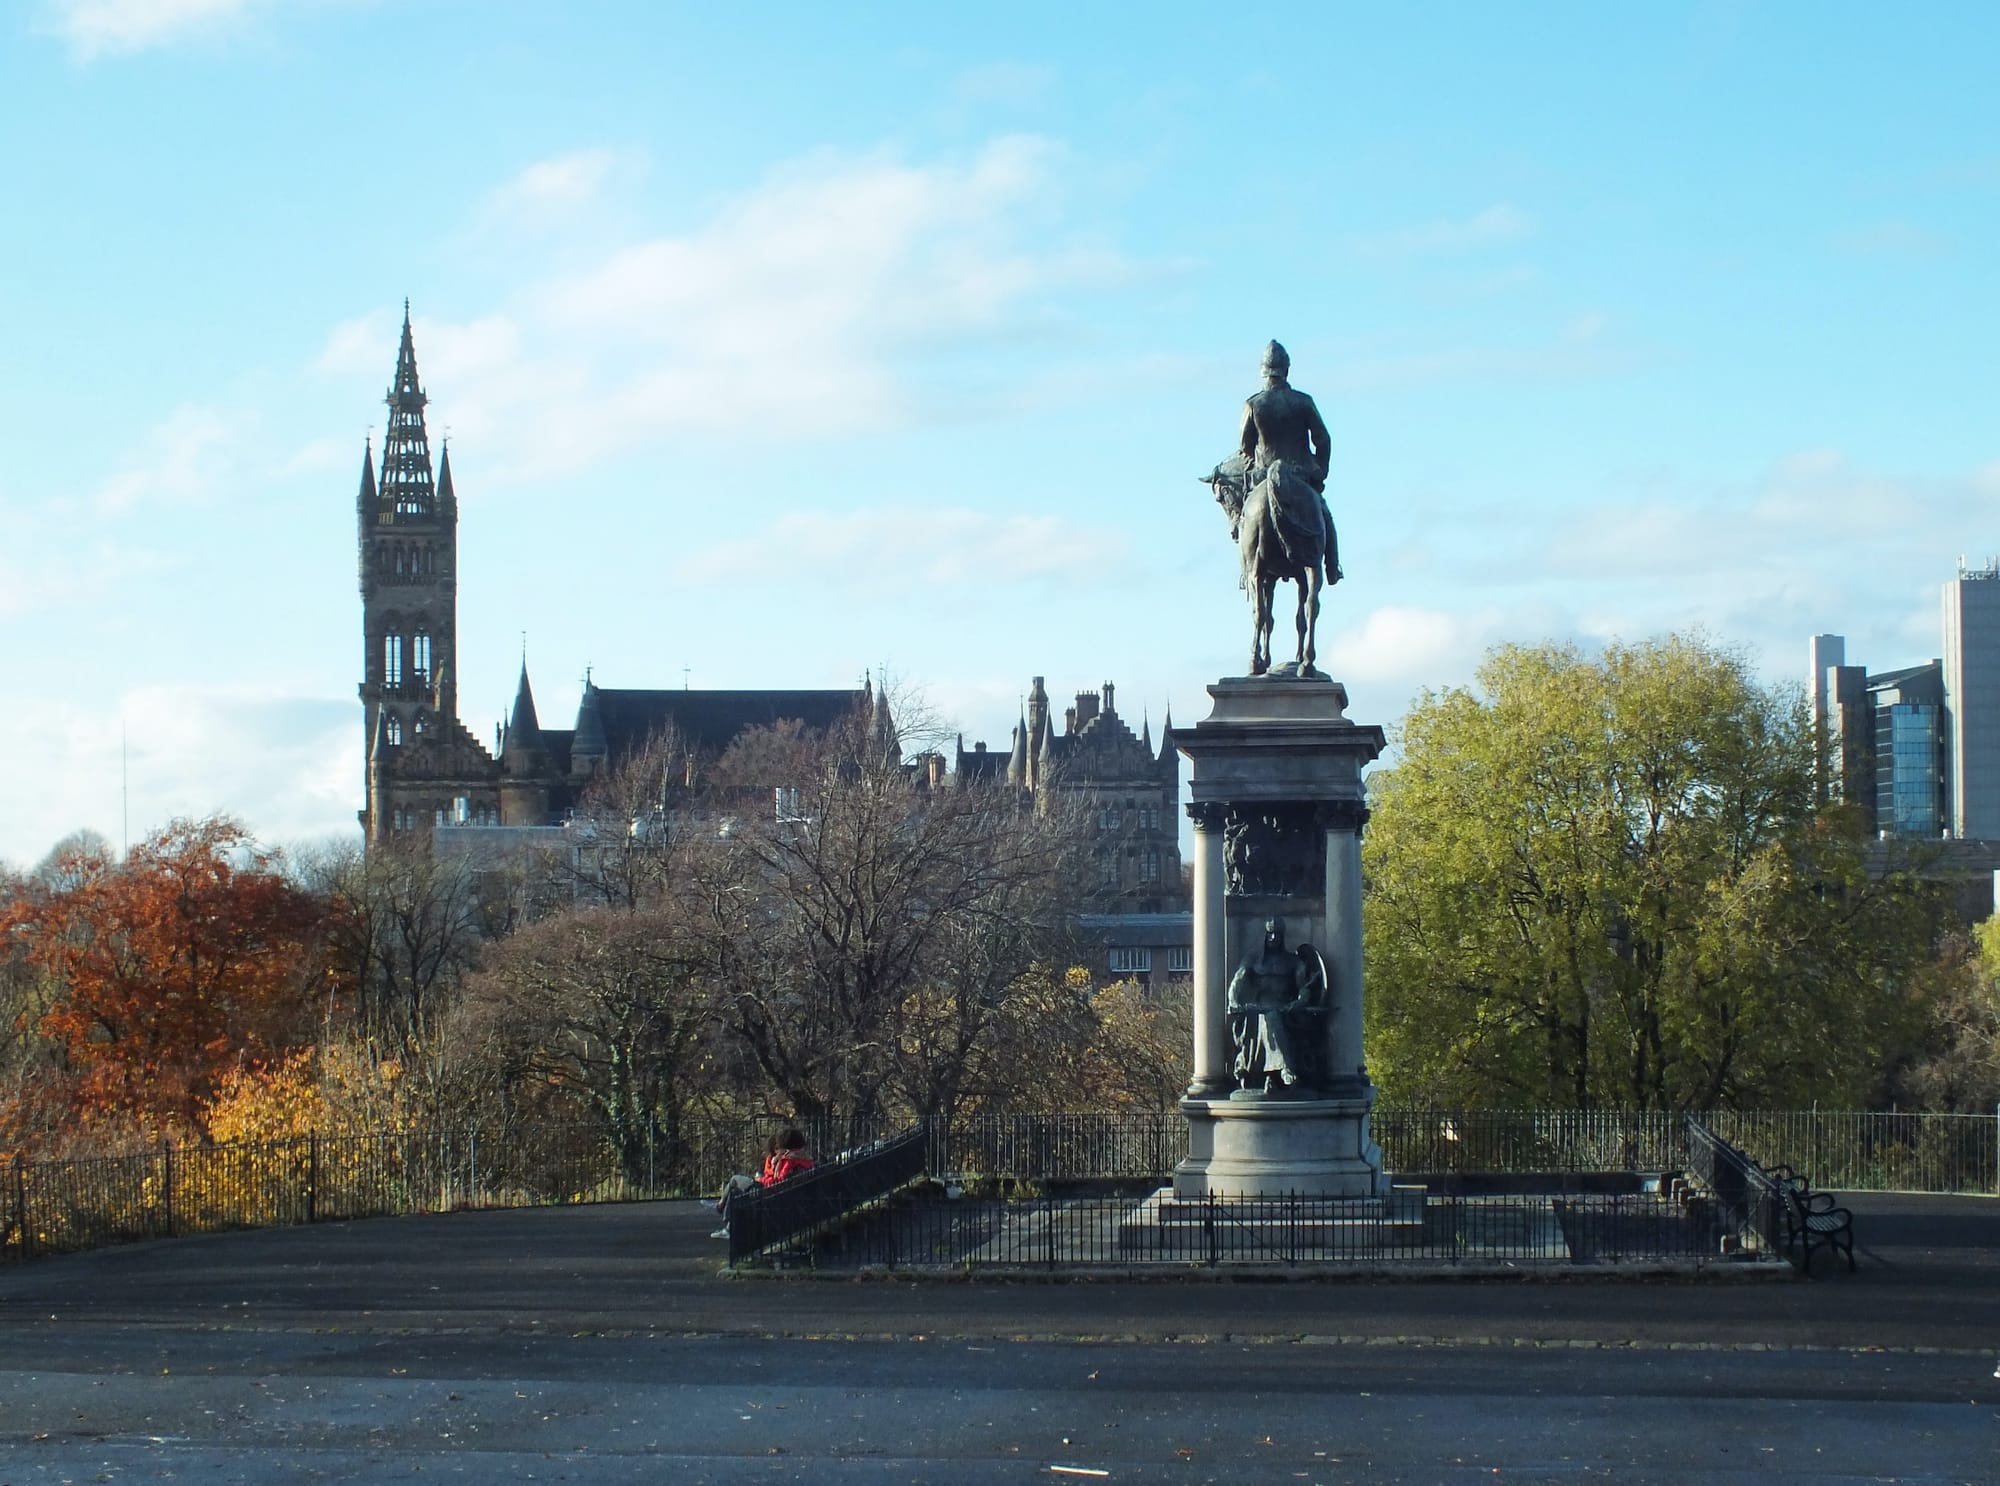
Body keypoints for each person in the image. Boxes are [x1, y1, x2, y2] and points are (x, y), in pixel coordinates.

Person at [712, 1127, 815, 1238]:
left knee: (735, 1181)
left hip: (772, 1194)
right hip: (780, 1194)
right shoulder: (803, 1159)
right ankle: (726, 1222)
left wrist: (760, 1180)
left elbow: (780, 1182)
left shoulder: (789, 1160)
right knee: (735, 1190)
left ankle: (722, 1211)